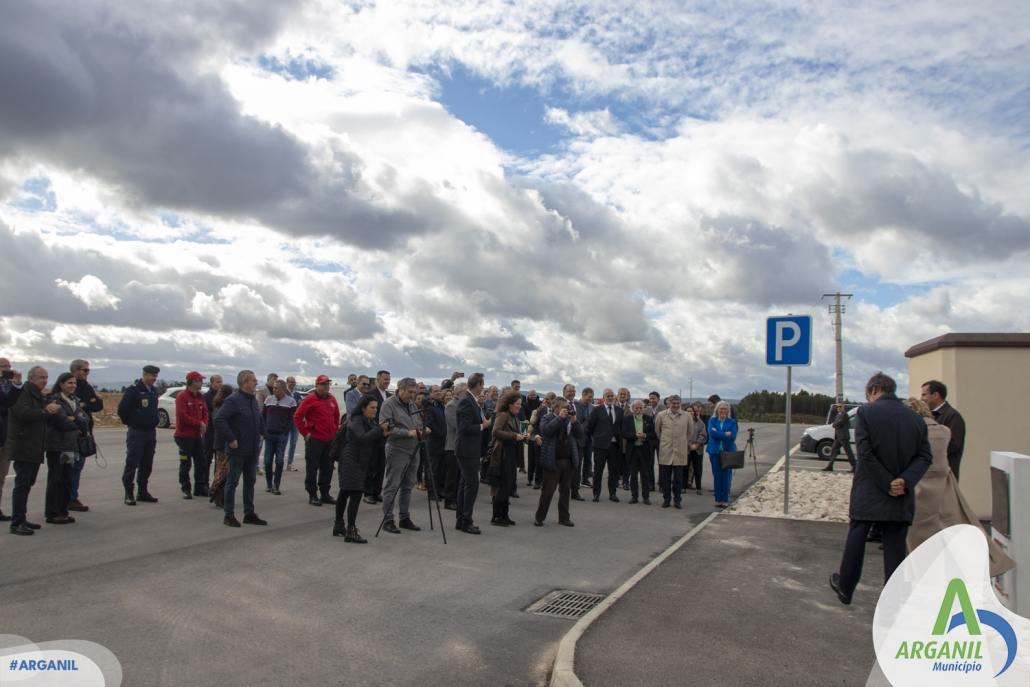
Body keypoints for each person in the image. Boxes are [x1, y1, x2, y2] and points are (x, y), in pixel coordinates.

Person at [830, 372, 933, 605]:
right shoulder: (916, 418)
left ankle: (846, 586)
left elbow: (865, 453)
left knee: (857, 537)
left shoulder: (866, 412)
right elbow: (925, 456)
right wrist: (904, 481)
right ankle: (893, 599)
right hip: (901, 495)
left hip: (871, 490)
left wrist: (887, 483)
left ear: (874, 390)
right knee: (895, 546)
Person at [903, 398, 1014, 577]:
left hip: (918, 486)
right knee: (951, 529)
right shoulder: (944, 431)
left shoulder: (911, 432)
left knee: (919, 539)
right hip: (944, 486)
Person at [7, 366, 60, 535]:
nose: (44, 380)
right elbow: (22, 414)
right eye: (40, 377)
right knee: (22, 485)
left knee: (28, 484)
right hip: (25, 445)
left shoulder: (38, 395)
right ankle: (17, 522)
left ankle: (21, 517)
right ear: (31, 379)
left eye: (46, 377)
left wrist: (48, 410)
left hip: (35, 446)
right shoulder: (24, 394)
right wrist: (45, 411)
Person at [213, 370, 267, 528]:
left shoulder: (252, 400)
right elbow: (219, 419)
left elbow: (258, 418)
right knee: (232, 482)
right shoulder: (233, 400)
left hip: (252, 449)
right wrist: (231, 439)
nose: (256, 382)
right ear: (245, 382)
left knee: (250, 481)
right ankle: (228, 515)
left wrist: (265, 432)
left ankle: (249, 513)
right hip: (237, 450)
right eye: (253, 380)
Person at [332, 395, 388, 543]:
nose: (375, 410)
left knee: (344, 493)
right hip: (351, 460)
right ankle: (350, 530)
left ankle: (339, 525)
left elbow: (372, 442)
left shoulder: (368, 421)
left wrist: (383, 434)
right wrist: (379, 429)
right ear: (363, 408)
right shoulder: (356, 420)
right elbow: (362, 438)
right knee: (354, 494)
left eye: (376, 408)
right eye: (372, 407)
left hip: (358, 461)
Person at [377, 377, 426, 534]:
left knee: (408, 485)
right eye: (410, 392)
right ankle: (388, 519)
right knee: (392, 485)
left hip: (414, 449)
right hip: (397, 449)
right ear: (401, 389)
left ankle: (404, 517)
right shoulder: (389, 404)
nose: (412, 395)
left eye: (414, 392)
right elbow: (386, 429)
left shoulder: (411, 403)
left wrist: (422, 430)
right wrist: (408, 432)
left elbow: (417, 422)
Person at [44, 372, 88, 525]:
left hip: (70, 446)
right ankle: (52, 512)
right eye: (69, 383)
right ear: (61, 384)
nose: (73, 386)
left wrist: (75, 420)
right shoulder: (54, 400)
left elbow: (85, 419)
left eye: (74, 383)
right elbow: (62, 421)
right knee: (56, 479)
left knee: (66, 478)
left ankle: (63, 511)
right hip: (58, 446)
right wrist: (76, 422)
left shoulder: (74, 400)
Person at [117, 364, 162, 506]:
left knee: (147, 463)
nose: (153, 378)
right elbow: (122, 410)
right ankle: (129, 492)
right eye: (150, 375)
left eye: (155, 376)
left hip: (150, 432)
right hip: (137, 432)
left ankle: (143, 491)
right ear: (144, 375)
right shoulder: (134, 391)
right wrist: (132, 422)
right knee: (132, 462)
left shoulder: (153, 391)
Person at [294, 375, 341, 507]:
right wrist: (305, 433)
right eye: (323, 384)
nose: (326, 386)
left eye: (327, 384)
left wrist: (334, 431)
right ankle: (312, 494)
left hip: (329, 440)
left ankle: (325, 493)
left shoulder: (331, 399)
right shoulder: (310, 399)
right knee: (312, 468)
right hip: (315, 440)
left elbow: (336, 416)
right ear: (317, 386)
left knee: (327, 468)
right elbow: (297, 417)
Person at [534, 397, 582, 526]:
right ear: (556, 408)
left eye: (567, 407)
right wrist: (559, 418)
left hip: (568, 460)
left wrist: (575, 421)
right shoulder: (547, 417)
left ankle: (564, 518)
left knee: (566, 491)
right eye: (564, 407)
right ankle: (540, 517)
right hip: (552, 460)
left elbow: (580, 434)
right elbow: (547, 431)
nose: (567, 409)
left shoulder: (569, 419)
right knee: (548, 491)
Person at [455, 373, 489, 534]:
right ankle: (466, 520)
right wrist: (483, 426)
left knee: (464, 484)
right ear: (476, 385)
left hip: (471, 449)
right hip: (466, 450)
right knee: (472, 485)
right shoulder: (466, 402)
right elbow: (464, 428)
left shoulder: (472, 401)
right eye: (482, 385)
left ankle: (461, 519)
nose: (483, 388)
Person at [488, 391, 528, 526]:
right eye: (517, 404)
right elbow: (495, 432)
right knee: (503, 487)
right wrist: (514, 436)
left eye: (520, 404)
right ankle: (496, 516)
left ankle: (504, 515)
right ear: (510, 404)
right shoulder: (504, 415)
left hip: (510, 454)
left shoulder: (513, 417)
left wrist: (521, 436)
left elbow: (512, 433)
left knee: (508, 486)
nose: (519, 406)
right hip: (502, 455)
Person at [69, 359, 101, 512]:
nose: (87, 373)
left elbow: (97, 405)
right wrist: (87, 403)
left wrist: (86, 404)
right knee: (70, 467)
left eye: (88, 370)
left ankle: (72, 496)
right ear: (75, 371)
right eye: (85, 370)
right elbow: (73, 407)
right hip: (72, 434)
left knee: (78, 467)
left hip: (85, 433)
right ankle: (67, 498)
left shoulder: (86, 387)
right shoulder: (69, 385)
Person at [920, 380, 966, 479]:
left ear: (936, 395)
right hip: (934, 474)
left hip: (945, 477)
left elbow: (953, 445)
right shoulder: (931, 415)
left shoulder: (953, 416)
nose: (921, 399)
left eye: (924, 395)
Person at [174, 371, 209, 499]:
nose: (202, 383)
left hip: (196, 436)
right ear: (193, 381)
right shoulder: (182, 396)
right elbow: (183, 416)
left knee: (201, 462)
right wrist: (199, 424)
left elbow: (205, 412)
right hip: (183, 436)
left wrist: (204, 423)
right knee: (185, 463)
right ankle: (185, 488)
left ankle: (199, 488)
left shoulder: (200, 396)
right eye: (200, 380)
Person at [654, 395, 694, 508]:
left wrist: (682, 441)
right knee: (665, 479)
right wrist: (666, 441)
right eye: (673, 403)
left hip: (680, 451)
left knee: (678, 479)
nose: (675, 405)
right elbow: (658, 431)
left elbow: (690, 432)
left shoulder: (687, 416)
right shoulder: (661, 415)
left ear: (680, 404)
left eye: (678, 403)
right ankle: (666, 499)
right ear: (668, 404)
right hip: (666, 450)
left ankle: (677, 500)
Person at [586, 388, 623, 502]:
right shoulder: (598, 410)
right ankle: (596, 494)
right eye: (608, 396)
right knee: (598, 471)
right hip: (600, 446)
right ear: (603, 398)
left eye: (612, 396)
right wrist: (597, 438)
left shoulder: (619, 410)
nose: (610, 398)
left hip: (614, 445)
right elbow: (590, 427)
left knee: (613, 471)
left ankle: (613, 493)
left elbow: (620, 426)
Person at [262, 379, 297, 495]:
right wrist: (264, 430)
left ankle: (276, 485)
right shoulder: (268, 399)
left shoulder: (291, 402)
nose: (274, 389)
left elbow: (292, 419)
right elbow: (263, 415)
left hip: (281, 435)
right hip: (269, 434)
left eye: (276, 388)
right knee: (267, 461)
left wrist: (285, 431)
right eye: (273, 388)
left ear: (282, 389)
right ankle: (268, 484)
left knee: (279, 460)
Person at [0, 357, 24, 522]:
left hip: (5, 436)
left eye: (8, 366)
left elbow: (13, 405)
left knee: (1, 476)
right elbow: (5, 405)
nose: (7, 369)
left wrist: (16, 385)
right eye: (3, 366)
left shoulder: (12, 387)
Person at [622, 400, 657, 505]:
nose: (638, 410)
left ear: (643, 409)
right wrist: (635, 435)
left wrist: (645, 435)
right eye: (636, 408)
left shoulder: (649, 419)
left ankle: (646, 497)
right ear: (632, 409)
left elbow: (653, 434)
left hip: (644, 450)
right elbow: (624, 433)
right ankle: (634, 496)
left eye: (640, 408)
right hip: (632, 450)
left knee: (645, 475)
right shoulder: (627, 419)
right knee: (633, 475)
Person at [364, 370, 391, 504]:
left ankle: (376, 491)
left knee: (381, 465)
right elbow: (367, 415)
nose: (387, 382)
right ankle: (368, 492)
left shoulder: (389, 396)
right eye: (385, 379)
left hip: (386, 436)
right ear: (378, 379)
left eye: (388, 379)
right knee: (371, 464)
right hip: (374, 434)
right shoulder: (370, 395)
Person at [706, 401, 738, 508]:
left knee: (726, 475)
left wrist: (718, 433)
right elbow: (711, 433)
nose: (723, 410)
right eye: (721, 408)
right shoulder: (712, 420)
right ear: (717, 409)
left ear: (728, 410)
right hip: (714, 451)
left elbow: (732, 436)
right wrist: (725, 434)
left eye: (725, 408)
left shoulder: (732, 422)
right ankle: (718, 499)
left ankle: (725, 498)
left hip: (727, 452)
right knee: (717, 475)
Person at [208, 384, 234, 509]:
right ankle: (217, 493)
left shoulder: (217, 405)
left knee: (220, 469)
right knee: (223, 470)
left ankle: (217, 494)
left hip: (219, 442)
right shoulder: (224, 406)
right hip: (224, 442)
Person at [423, 384, 447, 501]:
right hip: (434, 443)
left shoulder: (440, 405)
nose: (438, 392)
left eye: (439, 391)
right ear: (430, 393)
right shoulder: (429, 406)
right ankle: (432, 492)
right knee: (433, 470)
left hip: (443, 443)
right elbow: (430, 424)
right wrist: (441, 433)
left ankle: (437, 490)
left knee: (440, 470)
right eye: (435, 391)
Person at [527, 392, 555, 490]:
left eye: (548, 399)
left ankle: (547, 481)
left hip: (551, 440)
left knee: (549, 462)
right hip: (539, 439)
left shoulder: (557, 411)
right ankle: (537, 481)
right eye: (545, 399)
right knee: (538, 461)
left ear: (553, 400)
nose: (545, 401)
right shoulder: (541, 410)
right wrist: (537, 436)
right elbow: (535, 424)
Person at [443, 382, 463, 511]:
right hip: (452, 445)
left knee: (459, 474)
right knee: (452, 475)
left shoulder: (460, 404)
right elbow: (456, 425)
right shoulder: (451, 406)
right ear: (459, 393)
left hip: (460, 445)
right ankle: (449, 500)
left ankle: (456, 498)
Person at [202, 374, 223, 487]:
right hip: (209, 432)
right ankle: (204, 483)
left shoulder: (223, 397)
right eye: (218, 382)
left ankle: (216, 483)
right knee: (207, 460)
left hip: (219, 434)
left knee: (219, 461)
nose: (220, 384)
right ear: (212, 383)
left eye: (221, 382)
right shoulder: (206, 397)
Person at [823, 403, 855, 472]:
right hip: (838, 436)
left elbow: (838, 423)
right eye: (837, 407)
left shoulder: (844, 415)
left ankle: (854, 467)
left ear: (842, 408)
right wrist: (835, 424)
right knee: (833, 451)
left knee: (848, 452)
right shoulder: (838, 415)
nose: (838, 408)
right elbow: (835, 423)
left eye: (840, 407)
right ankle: (830, 466)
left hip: (843, 436)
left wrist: (835, 424)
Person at [574, 387, 594, 491]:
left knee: (588, 460)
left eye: (591, 397)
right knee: (578, 460)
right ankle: (575, 481)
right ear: (583, 394)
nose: (590, 399)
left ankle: (585, 479)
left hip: (589, 438)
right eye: (589, 397)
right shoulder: (576, 405)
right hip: (578, 437)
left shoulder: (592, 407)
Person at [686, 402, 707, 495]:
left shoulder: (700, 423)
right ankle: (684, 486)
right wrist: (688, 443)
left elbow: (703, 435)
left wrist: (696, 444)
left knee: (697, 469)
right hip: (686, 448)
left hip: (697, 449)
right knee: (685, 468)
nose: (690, 413)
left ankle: (698, 487)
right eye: (688, 411)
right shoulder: (683, 422)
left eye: (691, 411)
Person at [284, 376, 303, 471]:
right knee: (283, 442)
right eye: (291, 382)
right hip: (285, 422)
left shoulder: (297, 394)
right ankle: (280, 462)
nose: (292, 384)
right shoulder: (284, 393)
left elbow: (301, 405)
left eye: (294, 382)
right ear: (287, 382)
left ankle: (290, 463)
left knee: (293, 443)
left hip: (295, 422)